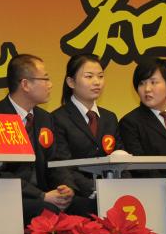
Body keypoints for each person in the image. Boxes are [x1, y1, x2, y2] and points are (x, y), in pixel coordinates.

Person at [0, 53, 92, 223]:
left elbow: (56, 161)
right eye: (45, 79)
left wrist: (66, 187)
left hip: (46, 193)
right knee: (47, 210)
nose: (50, 85)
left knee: (87, 207)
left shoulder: (45, 118)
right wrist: (41, 195)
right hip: (12, 196)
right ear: (25, 84)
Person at [51, 53, 121, 196]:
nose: (97, 82)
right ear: (71, 82)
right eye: (89, 76)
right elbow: (63, 165)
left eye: (100, 76)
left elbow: (121, 157)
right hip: (79, 194)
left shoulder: (110, 118)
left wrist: (126, 185)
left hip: (113, 191)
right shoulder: (57, 118)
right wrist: (96, 188)